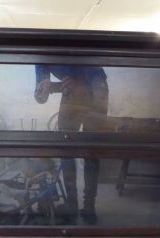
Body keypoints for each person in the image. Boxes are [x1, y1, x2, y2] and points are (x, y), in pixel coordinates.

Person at [34, 65, 109, 224]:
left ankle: (89, 208)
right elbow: (40, 97)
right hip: (72, 89)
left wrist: (78, 85)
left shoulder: (61, 45)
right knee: (66, 147)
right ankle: (72, 205)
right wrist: (45, 87)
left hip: (96, 85)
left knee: (91, 149)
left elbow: (91, 66)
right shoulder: (39, 58)